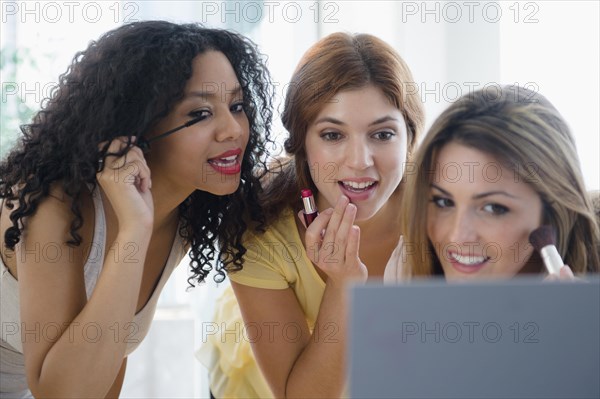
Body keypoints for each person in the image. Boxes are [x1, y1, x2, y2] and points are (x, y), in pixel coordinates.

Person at [0, 21, 273, 398]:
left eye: (237, 105)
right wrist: (133, 230)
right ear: (137, 127)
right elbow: (61, 392)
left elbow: (106, 357)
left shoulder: (185, 211)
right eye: (199, 114)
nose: (234, 130)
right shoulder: (54, 206)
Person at [198, 32, 424, 398]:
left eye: (382, 134)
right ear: (302, 144)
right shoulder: (259, 231)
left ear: (410, 137)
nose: (359, 162)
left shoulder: (446, 214)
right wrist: (343, 287)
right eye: (333, 135)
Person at [399, 85, 599, 281]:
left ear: (553, 212)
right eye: (443, 202)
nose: (457, 236)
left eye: (493, 208)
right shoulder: (400, 282)